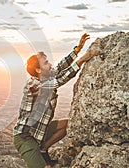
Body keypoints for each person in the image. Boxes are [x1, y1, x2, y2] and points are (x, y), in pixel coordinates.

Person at [13, 33, 101, 167]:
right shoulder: (34, 84)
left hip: (39, 131)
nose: (50, 64)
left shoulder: (46, 76)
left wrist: (77, 50)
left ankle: (43, 149)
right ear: (38, 69)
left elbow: (60, 67)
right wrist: (83, 59)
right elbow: (60, 80)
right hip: (25, 137)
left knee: (67, 124)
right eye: (46, 63)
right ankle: (38, 152)